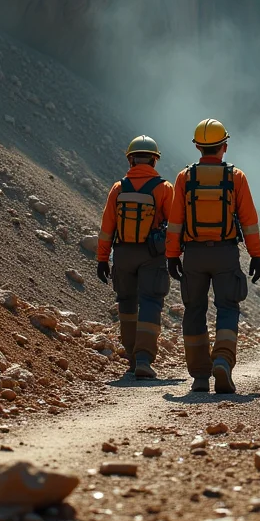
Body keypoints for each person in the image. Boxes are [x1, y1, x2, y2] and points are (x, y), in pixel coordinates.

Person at [165, 119, 260, 394]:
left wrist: (172, 255)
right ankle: (222, 360)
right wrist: (256, 255)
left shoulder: (185, 177)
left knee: (194, 310)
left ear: (197, 147)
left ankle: (199, 376)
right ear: (225, 146)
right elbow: (249, 221)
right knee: (228, 307)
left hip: (194, 255)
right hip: (226, 253)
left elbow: (175, 221)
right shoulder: (236, 177)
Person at [95, 135, 173, 380]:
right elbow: (175, 226)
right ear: (154, 160)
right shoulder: (164, 188)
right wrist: (175, 255)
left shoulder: (118, 188)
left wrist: (101, 258)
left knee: (127, 304)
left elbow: (107, 226)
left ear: (130, 160)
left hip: (123, 253)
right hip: (152, 254)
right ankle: (143, 359)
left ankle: (131, 359)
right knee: (150, 302)